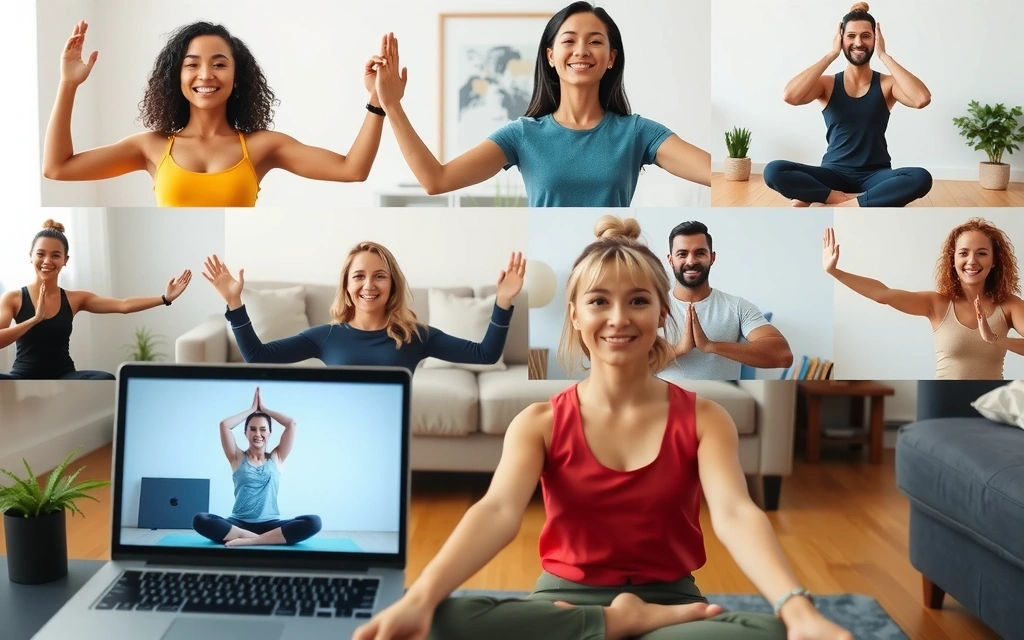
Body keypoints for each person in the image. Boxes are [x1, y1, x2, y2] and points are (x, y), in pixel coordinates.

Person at [353, 216, 851, 640]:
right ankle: (618, 624)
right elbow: (498, 511)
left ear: (662, 313)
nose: (618, 319)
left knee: (780, 633)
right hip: (564, 604)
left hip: (672, 603)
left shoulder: (705, 419)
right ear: (574, 313)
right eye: (598, 301)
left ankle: (620, 626)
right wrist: (420, 597)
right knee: (442, 620)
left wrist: (797, 607)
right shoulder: (539, 422)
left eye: (638, 301)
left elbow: (737, 514)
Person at [372, 2, 710, 208]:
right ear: (550, 56)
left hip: (615, 269)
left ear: (611, 58)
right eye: (569, 41)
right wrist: (391, 105)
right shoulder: (522, 136)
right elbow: (436, 180)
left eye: (595, 41)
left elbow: (714, 174)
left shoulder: (638, 133)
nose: (582, 51)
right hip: (550, 272)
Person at [42, 21, 389, 207]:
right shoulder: (149, 146)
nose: (206, 75)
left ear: (237, 78)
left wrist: (377, 100)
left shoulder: (263, 146)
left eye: (219, 64)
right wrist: (68, 85)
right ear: (176, 77)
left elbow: (352, 169)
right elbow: (57, 168)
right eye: (192, 65)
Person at [201, 243, 525, 372]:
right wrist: (234, 302)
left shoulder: (416, 336)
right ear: (346, 285)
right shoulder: (325, 337)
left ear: (392, 285)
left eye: (379, 276)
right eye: (359, 276)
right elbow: (257, 356)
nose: (369, 286)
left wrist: (503, 301)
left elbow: (485, 355)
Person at [763, 3, 933, 208]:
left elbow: (921, 99)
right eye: (851, 36)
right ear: (841, 39)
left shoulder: (887, 85)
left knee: (921, 177)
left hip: (875, 175)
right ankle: (842, 197)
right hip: (833, 173)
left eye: (866, 36)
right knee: (773, 170)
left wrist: (884, 56)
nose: (858, 42)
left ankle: (840, 201)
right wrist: (831, 54)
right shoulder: (827, 84)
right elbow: (790, 96)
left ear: (875, 40)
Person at [824, 219, 1023, 379]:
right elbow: (882, 294)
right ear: (953, 260)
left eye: (982, 253)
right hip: (944, 398)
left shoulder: (1009, 305)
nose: (972, 261)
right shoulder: (937, 304)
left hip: (991, 401)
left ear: (994, 260)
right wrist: (836, 272)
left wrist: (995, 339)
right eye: (964, 253)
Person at [0, 220, 191, 380]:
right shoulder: (14, 298)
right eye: (40, 254)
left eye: (56, 255)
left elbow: (123, 305)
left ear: (65, 260)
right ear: (31, 256)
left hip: (63, 375)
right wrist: (35, 319)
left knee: (105, 379)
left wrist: (165, 298)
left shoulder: (76, 299)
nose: (47, 261)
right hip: (23, 376)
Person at [658, 221, 793, 382]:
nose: (691, 261)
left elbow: (782, 355)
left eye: (700, 253)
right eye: (682, 254)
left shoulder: (737, 307)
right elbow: (627, 365)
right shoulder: (652, 306)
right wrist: (679, 350)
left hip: (720, 404)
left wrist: (711, 346)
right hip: (664, 404)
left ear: (712, 257)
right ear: (670, 259)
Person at [193, 387, 322, 547]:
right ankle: (265, 540)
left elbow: (291, 423)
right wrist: (252, 410)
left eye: (263, 429)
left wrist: (265, 409)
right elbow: (224, 425)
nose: (258, 434)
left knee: (314, 522)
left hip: (271, 525)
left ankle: (252, 541)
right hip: (238, 525)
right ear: (246, 432)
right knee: (200, 520)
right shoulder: (236, 457)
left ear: (269, 433)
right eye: (252, 429)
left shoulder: (277, 457)